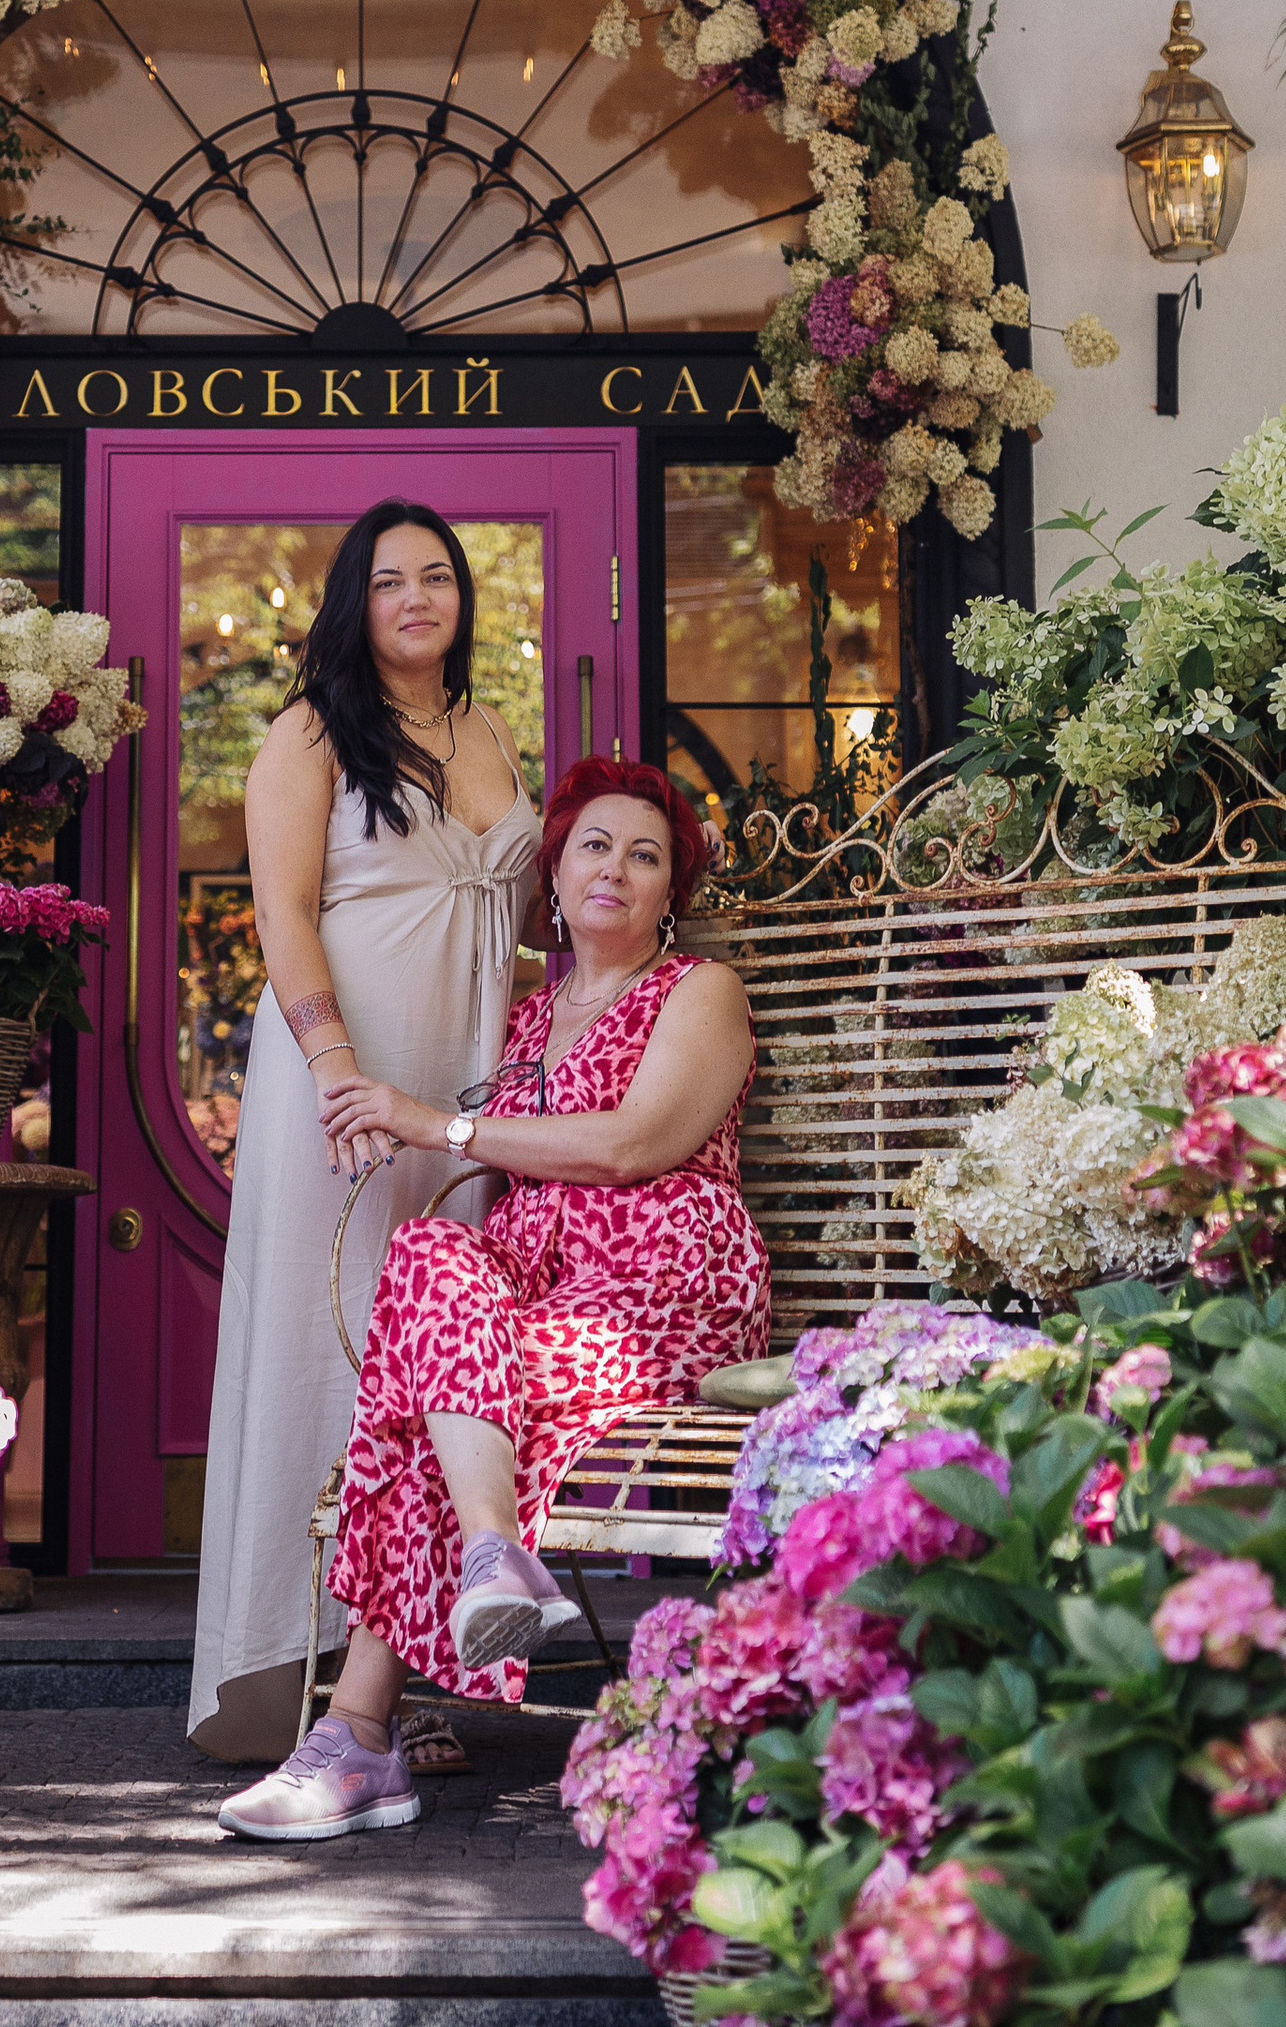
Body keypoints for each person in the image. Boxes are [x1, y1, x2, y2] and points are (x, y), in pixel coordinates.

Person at [216, 756, 767, 1842]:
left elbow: (629, 1147)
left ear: (669, 894)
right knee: (427, 1249)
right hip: (532, 1283)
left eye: (646, 855)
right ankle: (489, 1555)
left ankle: (357, 1737)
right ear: (553, 875)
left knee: (438, 1402)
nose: (616, 868)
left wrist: (437, 1124)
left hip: (658, 1280)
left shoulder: (698, 993)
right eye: (593, 846)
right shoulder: (525, 1017)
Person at [189, 501, 543, 1766]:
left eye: (436, 576)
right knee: (331, 1347)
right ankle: (301, 1677)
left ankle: (407, 1678)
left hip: (464, 1088)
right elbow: (282, 915)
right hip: (336, 1081)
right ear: (356, 600)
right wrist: (336, 1065)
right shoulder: (310, 734)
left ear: (461, 599)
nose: (415, 596)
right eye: (388, 579)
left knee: (433, 1366)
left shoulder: (495, 732)